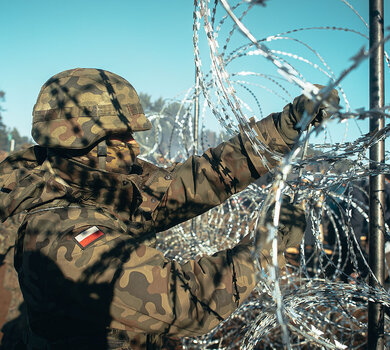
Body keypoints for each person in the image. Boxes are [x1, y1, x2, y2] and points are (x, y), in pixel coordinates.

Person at [0, 68, 339, 350]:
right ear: (83, 145)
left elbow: (196, 181)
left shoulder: (92, 186)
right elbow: (187, 301)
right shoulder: (62, 237)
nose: (134, 144)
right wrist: (268, 245)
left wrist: (286, 126)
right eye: (121, 137)